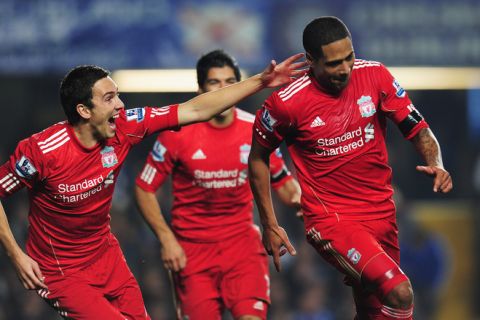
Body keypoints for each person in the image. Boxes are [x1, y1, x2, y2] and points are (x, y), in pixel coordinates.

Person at [0, 53, 306, 320]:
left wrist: (261, 81)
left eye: (118, 95)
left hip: (106, 257)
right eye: (109, 99)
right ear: (84, 111)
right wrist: (15, 253)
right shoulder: (41, 151)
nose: (121, 105)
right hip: (60, 271)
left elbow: (195, 110)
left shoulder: (125, 128)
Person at [248, 16, 453, 320]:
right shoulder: (286, 105)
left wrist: (435, 161)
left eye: (349, 57)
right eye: (333, 63)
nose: (344, 69)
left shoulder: (376, 76)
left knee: (373, 311)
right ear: (311, 61)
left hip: (382, 216)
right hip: (331, 220)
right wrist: (269, 222)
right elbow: (257, 158)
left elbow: (418, 129)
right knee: (400, 293)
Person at [134, 49, 302, 320]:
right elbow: (144, 188)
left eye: (230, 83)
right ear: (200, 88)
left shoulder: (255, 130)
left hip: (243, 247)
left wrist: (302, 202)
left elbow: (284, 183)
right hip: (192, 253)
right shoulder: (177, 136)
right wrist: (166, 238)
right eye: (215, 83)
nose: (224, 90)